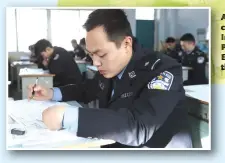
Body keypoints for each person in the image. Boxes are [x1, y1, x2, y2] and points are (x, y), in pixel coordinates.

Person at [28, 9, 192, 148]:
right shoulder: (111, 67)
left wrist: (67, 117)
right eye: (91, 55)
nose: (95, 62)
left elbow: (140, 127)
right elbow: (87, 90)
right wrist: (52, 93)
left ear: (126, 44)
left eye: (101, 54)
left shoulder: (161, 69)